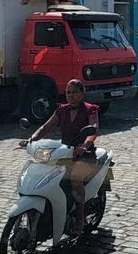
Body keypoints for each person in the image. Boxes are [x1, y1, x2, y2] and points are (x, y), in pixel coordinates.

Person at [20, 79, 99, 236]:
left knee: (75, 179)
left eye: (75, 92)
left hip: (84, 155)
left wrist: (84, 146)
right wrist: (31, 140)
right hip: (64, 152)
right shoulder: (61, 110)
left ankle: (80, 218)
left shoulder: (90, 110)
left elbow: (94, 130)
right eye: (69, 92)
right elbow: (45, 127)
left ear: (82, 93)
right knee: (43, 173)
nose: (71, 95)